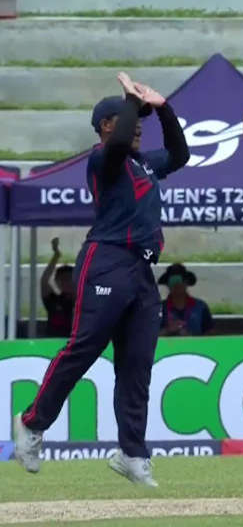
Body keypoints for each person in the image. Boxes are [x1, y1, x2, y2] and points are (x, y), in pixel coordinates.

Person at [14, 72, 190, 486]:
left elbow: (180, 155)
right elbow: (120, 137)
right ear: (106, 126)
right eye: (130, 119)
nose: (139, 125)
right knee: (84, 348)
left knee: (137, 364)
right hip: (106, 261)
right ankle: (33, 425)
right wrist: (132, 102)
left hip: (141, 271)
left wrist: (164, 109)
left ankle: (131, 453)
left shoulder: (143, 162)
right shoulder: (102, 159)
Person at [158, 263, 213, 336]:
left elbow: (210, 334)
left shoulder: (201, 307)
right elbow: (148, 336)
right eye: (172, 281)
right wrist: (167, 331)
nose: (177, 284)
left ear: (187, 282)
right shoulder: (158, 309)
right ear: (167, 284)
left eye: (180, 280)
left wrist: (190, 336)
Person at [41, 237, 75, 338]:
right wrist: (56, 255)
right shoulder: (54, 300)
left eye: (69, 278)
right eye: (62, 279)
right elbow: (44, 280)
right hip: (52, 345)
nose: (66, 282)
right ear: (56, 281)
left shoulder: (84, 299)